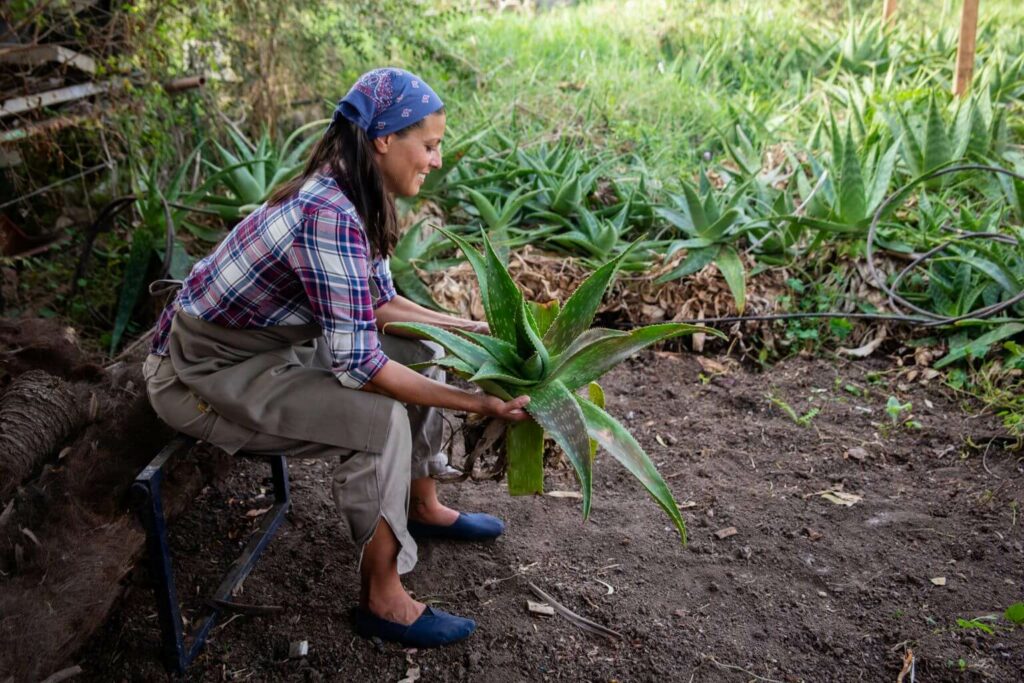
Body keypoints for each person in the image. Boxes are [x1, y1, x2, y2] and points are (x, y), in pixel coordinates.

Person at [142, 67, 531, 648]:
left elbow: (378, 306)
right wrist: (477, 402)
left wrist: (464, 328)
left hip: (271, 347)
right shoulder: (330, 213)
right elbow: (362, 368)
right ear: (384, 140)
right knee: (378, 422)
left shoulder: (356, 190)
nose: (437, 160)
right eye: (429, 146)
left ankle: (421, 503)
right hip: (202, 372)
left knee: (425, 350)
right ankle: (383, 598)